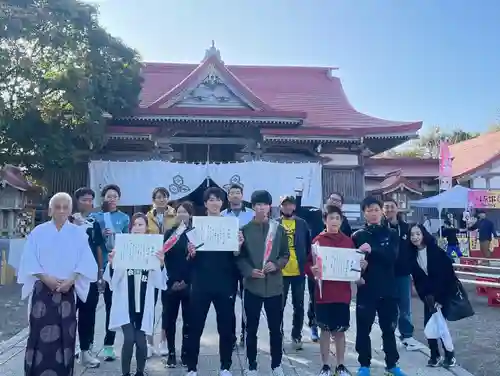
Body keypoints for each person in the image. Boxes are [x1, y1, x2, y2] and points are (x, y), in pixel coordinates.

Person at [18, 192, 98, 376]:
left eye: (65, 207)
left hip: (67, 290)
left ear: (70, 210)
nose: (61, 210)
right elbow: (29, 260)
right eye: (57, 207)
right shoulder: (38, 232)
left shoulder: (79, 234)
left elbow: (86, 262)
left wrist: (71, 280)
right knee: (38, 333)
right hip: (43, 291)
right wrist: (46, 278)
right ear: (50, 210)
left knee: (66, 333)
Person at [185, 187, 241, 376]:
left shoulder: (231, 225)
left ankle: (225, 366)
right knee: (195, 325)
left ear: (222, 203)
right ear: (206, 203)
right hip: (201, 282)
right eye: (211, 199)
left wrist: (238, 245)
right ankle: (192, 367)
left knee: (226, 326)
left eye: (218, 199)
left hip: (225, 282)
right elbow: (189, 256)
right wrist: (191, 252)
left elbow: (236, 255)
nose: (215, 203)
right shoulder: (196, 226)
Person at [105, 212, 168, 376]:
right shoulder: (122, 247)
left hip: (144, 301)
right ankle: (125, 373)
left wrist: (160, 263)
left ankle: (140, 372)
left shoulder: (153, 248)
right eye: (135, 224)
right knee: (128, 339)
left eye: (141, 224)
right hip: (125, 302)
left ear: (146, 228)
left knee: (141, 342)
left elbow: (159, 281)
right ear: (130, 227)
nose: (138, 227)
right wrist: (112, 263)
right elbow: (113, 281)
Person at [306, 205, 366, 376]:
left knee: (340, 331)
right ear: (325, 220)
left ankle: (340, 365)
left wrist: (361, 265)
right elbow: (308, 264)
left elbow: (354, 267)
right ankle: (325, 365)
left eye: (337, 218)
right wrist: (312, 270)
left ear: (341, 221)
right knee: (324, 330)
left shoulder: (348, 242)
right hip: (323, 294)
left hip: (342, 294)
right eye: (331, 218)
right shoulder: (318, 241)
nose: (334, 221)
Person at [238, 190, 290, 376]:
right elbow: (239, 257)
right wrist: (248, 271)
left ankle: (276, 364)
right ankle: (252, 364)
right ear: (253, 207)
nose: (261, 208)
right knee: (250, 329)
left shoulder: (279, 229)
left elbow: (286, 254)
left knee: (276, 329)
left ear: (270, 206)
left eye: (264, 204)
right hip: (253, 287)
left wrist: (276, 265)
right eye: (257, 204)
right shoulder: (244, 230)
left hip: (275, 287)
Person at [352, 196, 406, 376]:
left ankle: (392, 364)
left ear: (382, 211)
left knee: (389, 329)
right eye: (369, 210)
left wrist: (371, 252)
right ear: (364, 213)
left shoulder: (391, 234)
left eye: (376, 209)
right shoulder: (358, 236)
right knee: (363, 329)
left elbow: (391, 257)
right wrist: (359, 269)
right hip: (366, 289)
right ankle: (364, 364)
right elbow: (352, 263)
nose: (373, 213)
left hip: (388, 289)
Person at [295, 190, 351, 342]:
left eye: (338, 201)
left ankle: (333, 327)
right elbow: (298, 211)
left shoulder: (343, 222)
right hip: (316, 263)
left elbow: (349, 242)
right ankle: (314, 324)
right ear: (327, 200)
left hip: (335, 266)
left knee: (333, 297)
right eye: (332, 199)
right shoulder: (315, 214)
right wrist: (299, 194)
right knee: (315, 296)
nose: (334, 202)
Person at [90, 184, 130, 361]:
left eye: (115, 196)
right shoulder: (94, 216)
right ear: (103, 198)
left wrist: (118, 235)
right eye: (108, 196)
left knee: (110, 307)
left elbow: (129, 241)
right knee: (89, 307)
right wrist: (100, 234)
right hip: (94, 265)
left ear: (119, 199)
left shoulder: (124, 218)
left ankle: (108, 346)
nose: (111, 199)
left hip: (115, 267)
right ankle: (86, 345)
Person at [409, 224, 458, 368]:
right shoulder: (412, 255)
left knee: (441, 327)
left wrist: (441, 299)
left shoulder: (436, 252)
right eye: (412, 235)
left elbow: (448, 275)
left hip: (442, 295)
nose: (415, 237)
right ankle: (434, 355)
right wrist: (425, 296)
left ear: (423, 234)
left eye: (418, 234)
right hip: (428, 297)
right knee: (429, 327)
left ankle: (449, 355)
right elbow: (418, 280)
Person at [72, 187, 105, 368]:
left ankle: (86, 350)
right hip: (70, 275)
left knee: (88, 313)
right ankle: (68, 348)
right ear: (77, 201)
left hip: (90, 274)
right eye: (84, 199)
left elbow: (99, 247)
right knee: (68, 313)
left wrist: (100, 272)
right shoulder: (68, 220)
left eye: (90, 200)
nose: (88, 203)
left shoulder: (94, 222)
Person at [382, 199, 420, 351]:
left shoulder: (406, 228)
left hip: (403, 273)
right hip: (385, 274)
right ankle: (388, 335)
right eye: (386, 207)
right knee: (387, 306)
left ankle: (407, 335)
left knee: (405, 306)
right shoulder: (380, 228)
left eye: (392, 207)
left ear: (397, 209)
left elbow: (414, 247)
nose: (389, 209)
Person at [221, 183, 255, 349]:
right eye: (232, 193)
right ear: (228, 197)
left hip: (247, 261)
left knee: (247, 300)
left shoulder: (252, 215)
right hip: (228, 263)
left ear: (242, 196)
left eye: (238, 192)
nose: (235, 195)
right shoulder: (221, 216)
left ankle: (245, 333)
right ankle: (231, 335)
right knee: (229, 301)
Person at [163, 202, 194, 367]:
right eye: (179, 212)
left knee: (189, 320)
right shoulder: (169, 233)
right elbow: (164, 258)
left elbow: (198, 261)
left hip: (190, 284)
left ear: (190, 215)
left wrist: (186, 281)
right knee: (170, 320)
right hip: (170, 284)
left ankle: (186, 352)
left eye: (185, 212)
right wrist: (173, 281)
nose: (182, 214)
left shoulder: (195, 233)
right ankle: (171, 352)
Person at [146, 186, 176, 356]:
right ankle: (149, 342)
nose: (161, 199)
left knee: (167, 306)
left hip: (169, 264)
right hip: (151, 265)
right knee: (149, 304)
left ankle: (164, 340)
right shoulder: (147, 217)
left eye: (164, 196)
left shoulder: (174, 215)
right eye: (158, 197)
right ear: (153, 199)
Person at [278, 195, 311, 350]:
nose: (288, 208)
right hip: (280, 271)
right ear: (280, 207)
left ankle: (296, 335)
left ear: (294, 207)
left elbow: (308, 245)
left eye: (290, 205)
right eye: (285, 205)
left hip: (298, 270)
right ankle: (277, 334)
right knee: (279, 305)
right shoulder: (275, 224)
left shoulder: (302, 224)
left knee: (299, 305)